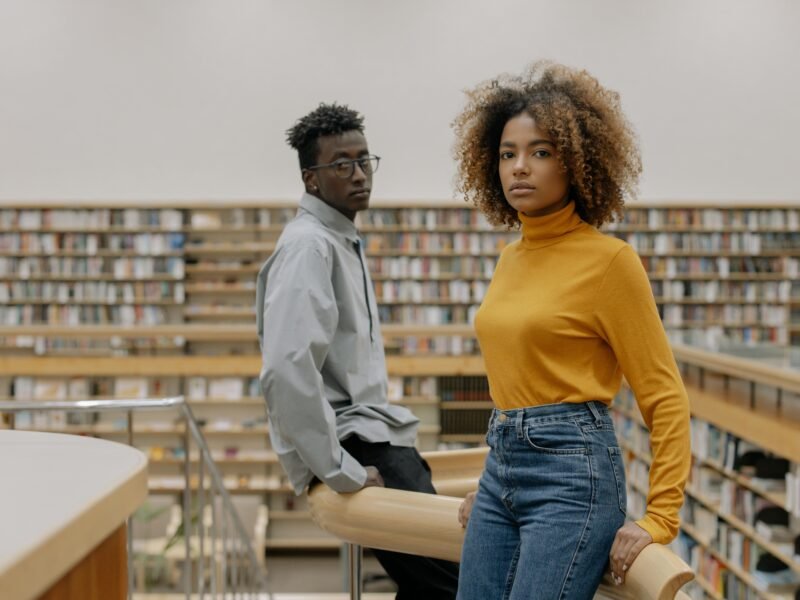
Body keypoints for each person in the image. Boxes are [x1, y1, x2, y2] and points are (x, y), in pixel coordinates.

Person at [451, 62, 691, 599]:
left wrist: (660, 519)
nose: (520, 168)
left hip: (572, 476)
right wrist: (498, 477)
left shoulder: (610, 263)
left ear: (577, 162)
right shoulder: (509, 259)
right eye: (508, 154)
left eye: (540, 152)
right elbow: (519, 379)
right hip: (502, 467)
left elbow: (664, 396)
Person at [256, 102, 459, 599]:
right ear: (311, 179)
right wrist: (337, 469)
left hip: (377, 434)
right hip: (359, 444)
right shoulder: (311, 247)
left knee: (431, 584)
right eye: (341, 164)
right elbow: (287, 370)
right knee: (455, 584)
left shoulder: (339, 238)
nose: (359, 174)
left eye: (364, 160)